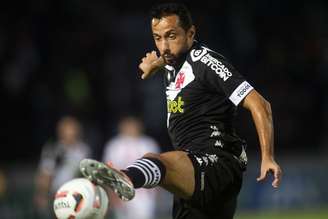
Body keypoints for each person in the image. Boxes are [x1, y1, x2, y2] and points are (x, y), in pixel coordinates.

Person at [80, 3, 282, 219]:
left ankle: (126, 177)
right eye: (157, 38)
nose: (164, 46)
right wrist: (154, 65)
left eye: (171, 36)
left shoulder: (207, 63)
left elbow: (260, 104)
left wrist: (267, 156)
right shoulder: (171, 60)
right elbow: (169, 59)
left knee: (157, 161)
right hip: (193, 176)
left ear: (191, 33)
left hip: (217, 164)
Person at [102, 116, 161, 219]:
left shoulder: (148, 144)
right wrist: (112, 194)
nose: (131, 128)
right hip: (122, 193)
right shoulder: (114, 145)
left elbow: (157, 170)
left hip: (144, 195)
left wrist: (156, 194)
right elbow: (109, 171)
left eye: (133, 125)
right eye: (128, 125)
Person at [34, 116, 90, 218]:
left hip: (79, 196)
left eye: (73, 129)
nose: (70, 132)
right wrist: (42, 194)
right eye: (67, 129)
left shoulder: (83, 150)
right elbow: (45, 173)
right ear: (60, 131)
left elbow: (87, 174)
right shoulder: (53, 149)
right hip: (58, 196)